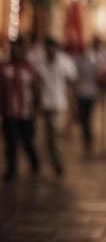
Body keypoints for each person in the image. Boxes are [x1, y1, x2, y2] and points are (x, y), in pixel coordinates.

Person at [34, 37, 78, 177]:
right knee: (47, 137)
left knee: (56, 134)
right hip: (45, 104)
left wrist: (73, 104)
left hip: (60, 104)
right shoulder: (39, 63)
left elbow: (72, 83)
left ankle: (58, 163)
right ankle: (50, 161)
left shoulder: (65, 62)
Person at [0, 37, 40, 181]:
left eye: (20, 48)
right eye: (15, 47)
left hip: (25, 113)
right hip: (9, 113)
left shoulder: (29, 68)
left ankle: (34, 162)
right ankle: (11, 169)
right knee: (11, 143)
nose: (17, 51)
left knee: (27, 142)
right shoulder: (4, 67)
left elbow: (36, 90)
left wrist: (35, 109)